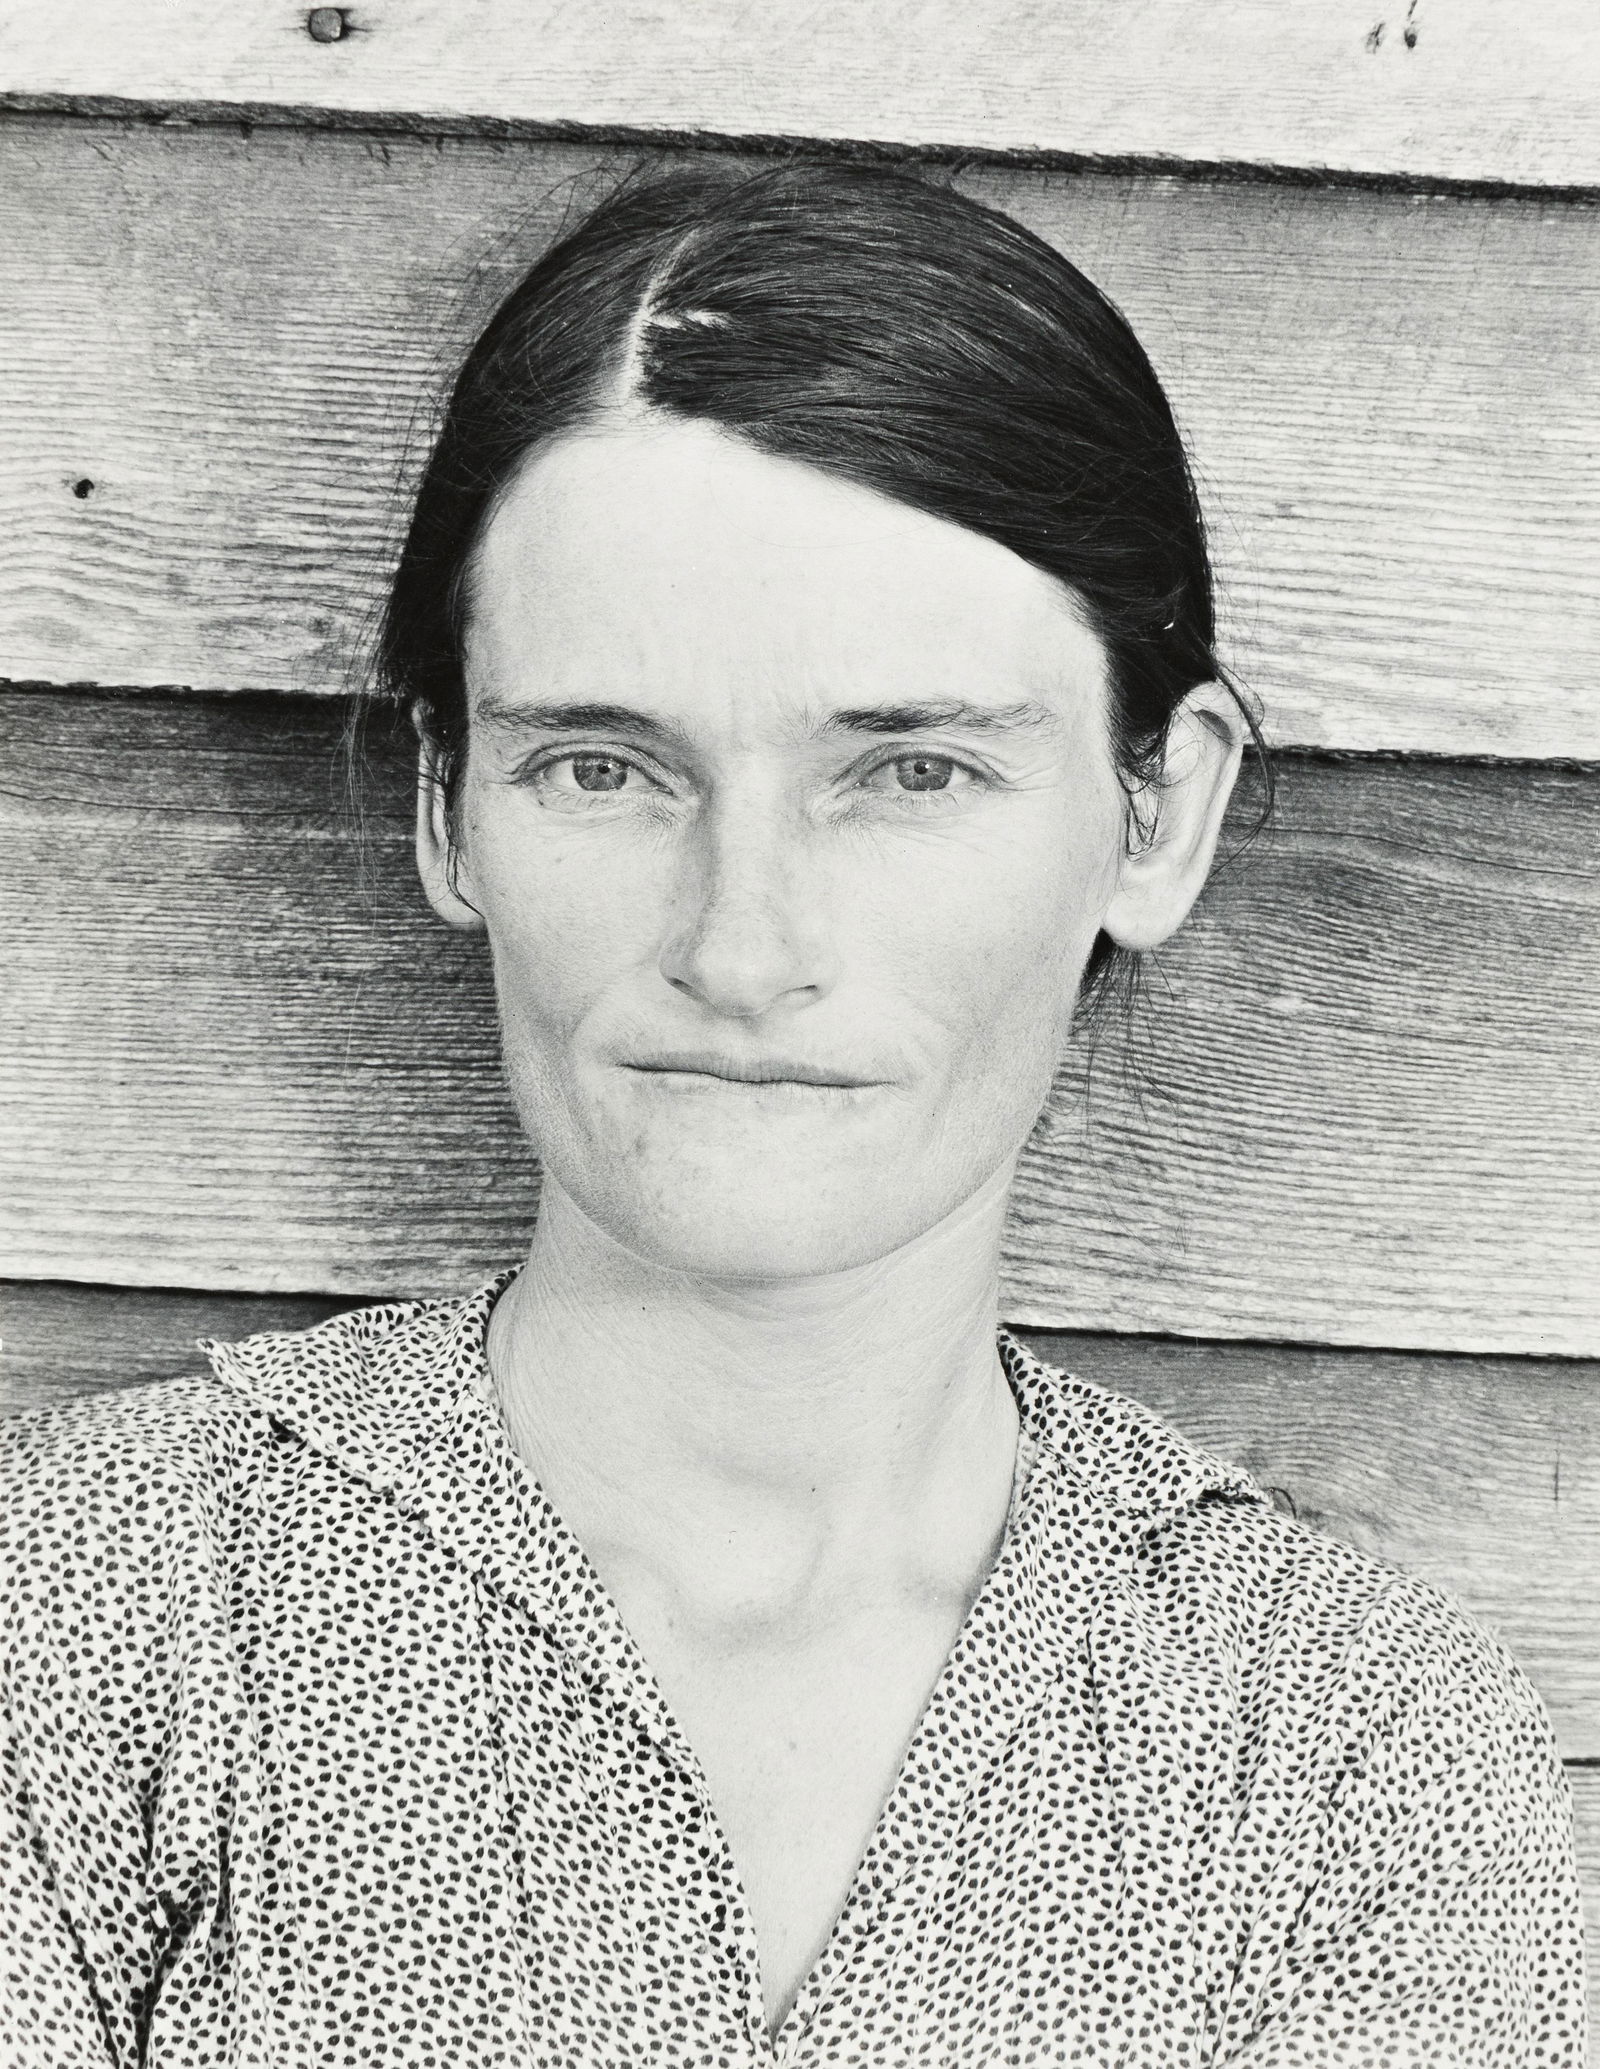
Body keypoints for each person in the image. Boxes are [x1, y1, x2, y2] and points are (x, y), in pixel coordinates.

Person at [0, 162, 1584, 2068]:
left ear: (1158, 813)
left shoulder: (1354, 1760)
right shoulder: (84, 1616)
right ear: (448, 806)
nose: (743, 946)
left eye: (909, 769)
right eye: (603, 764)